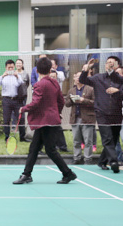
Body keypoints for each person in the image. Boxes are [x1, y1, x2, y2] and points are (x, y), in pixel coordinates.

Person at [13, 57, 77, 185]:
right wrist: (57, 112)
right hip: (50, 121)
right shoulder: (54, 83)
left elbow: (36, 103)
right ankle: (27, 174)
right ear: (50, 69)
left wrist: (23, 109)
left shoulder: (39, 85)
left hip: (45, 122)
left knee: (50, 150)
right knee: (34, 148)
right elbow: (61, 101)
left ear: (37, 70)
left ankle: (68, 173)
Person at [80, 56, 123, 173]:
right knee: (107, 138)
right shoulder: (98, 78)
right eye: (107, 62)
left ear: (116, 65)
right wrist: (86, 69)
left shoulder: (121, 80)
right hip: (101, 112)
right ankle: (113, 161)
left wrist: (118, 92)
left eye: (112, 62)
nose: (109, 64)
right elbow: (83, 80)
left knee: (114, 140)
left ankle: (102, 161)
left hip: (116, 113)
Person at [65, 73, 95, 165]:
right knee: (76, 140)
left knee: (88, 140)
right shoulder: (71, 90)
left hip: (87, 118)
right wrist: (71, 99)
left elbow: (95, 102)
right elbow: (66, 104)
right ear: (73, 78)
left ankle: (88, 159)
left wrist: (83, 100)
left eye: (79, 76)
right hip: (75, 117)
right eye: (76, 76)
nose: (78, 78)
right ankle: (77, 157)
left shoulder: (90, 89)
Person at [0, 59, 23, 142]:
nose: (10, 69)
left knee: (20, 118)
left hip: (16, 99)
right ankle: (7, 137)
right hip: (6, 100)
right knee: (6, 119)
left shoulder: (17, 76)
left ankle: (22, 137)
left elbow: (21, 84)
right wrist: (3, 76)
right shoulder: (3, 77)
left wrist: (17, 76)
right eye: (9, 67)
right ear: (6, 68)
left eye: (12, 67)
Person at [15, 58, 30, 142]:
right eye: (17, 63)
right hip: (15, 97)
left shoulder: (26, 74)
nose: (18, 65)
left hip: (23, 97)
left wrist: (22, 92)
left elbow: (27, 84)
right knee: (15, 116)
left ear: (22, 64)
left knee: (22, 117)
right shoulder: (14, 73)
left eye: (20, 63)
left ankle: (22, 137)